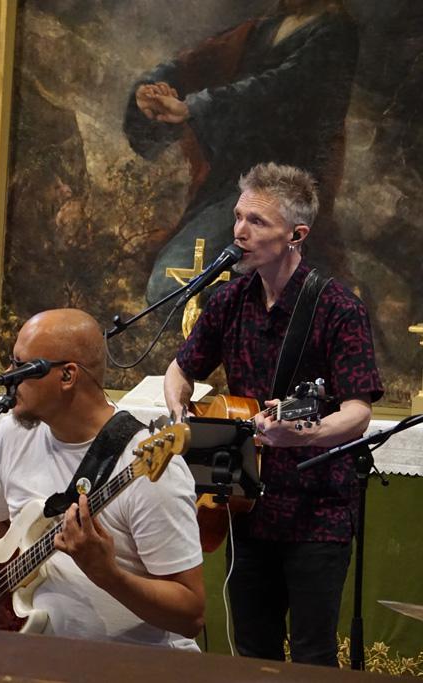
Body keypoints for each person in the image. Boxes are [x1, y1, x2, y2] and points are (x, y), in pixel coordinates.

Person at [164, 162, 384, 666]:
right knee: (252, 652)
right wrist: (180, 411)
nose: (239, 231)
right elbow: (180, 369)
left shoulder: (338, 308)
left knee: (311, 654)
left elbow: (357, 412)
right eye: (238, 217)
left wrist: (305, 435)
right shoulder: (229, 300)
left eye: (257, 221)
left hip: (316, 512)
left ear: (296, 235)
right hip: (245, 505)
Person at [0, 308, 205, 648]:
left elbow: (190, 615)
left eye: (22, 366)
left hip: (129, 664)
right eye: (10, 361)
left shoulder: (150, 469)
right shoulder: (15, 432)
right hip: (33, 659)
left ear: (67, 376)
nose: (7, 376)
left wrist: (109, 575)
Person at [124, 0, 359, 304]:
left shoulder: (334, 32)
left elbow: (276, 91)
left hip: (283, 189)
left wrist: (192, 107)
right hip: (232, 185)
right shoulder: (267, 26)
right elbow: (201, 60)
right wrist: (154, 88)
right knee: (171, 286)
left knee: (170, 287)